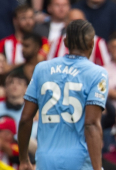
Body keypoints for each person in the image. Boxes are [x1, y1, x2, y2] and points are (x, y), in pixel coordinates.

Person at [18, 20, 109, 170]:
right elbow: (91, 124)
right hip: (79, 161)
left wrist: (23, 160)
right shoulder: (97, 74)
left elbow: (26, 118)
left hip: (45, 161)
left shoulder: (42, 68)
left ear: (65, 42)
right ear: (92, 44)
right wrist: (98, 168)